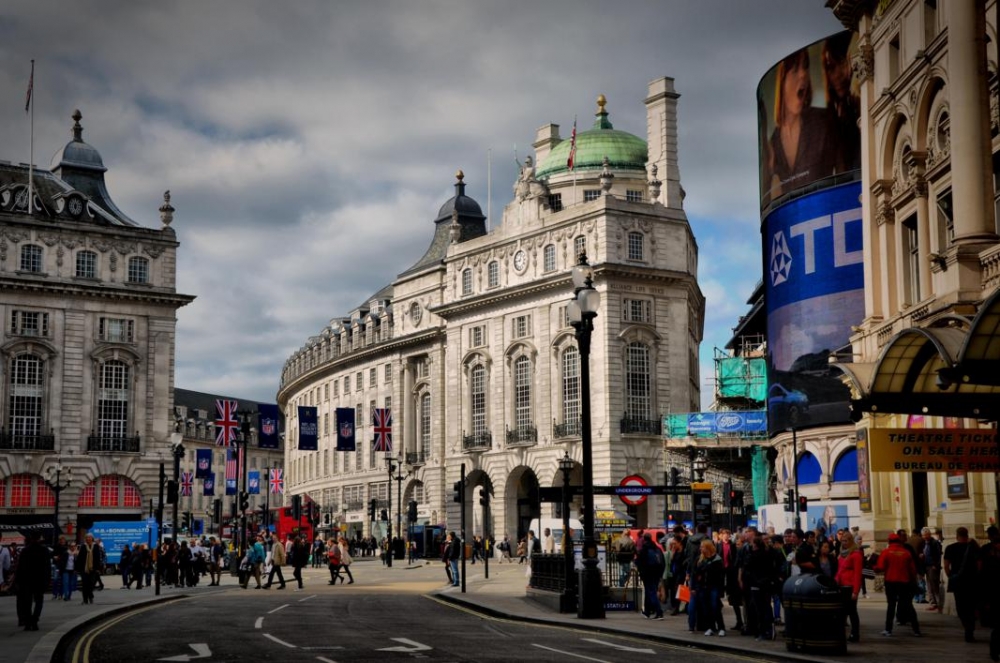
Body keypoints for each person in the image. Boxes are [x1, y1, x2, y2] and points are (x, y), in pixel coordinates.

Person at [766, 47, 837, 203]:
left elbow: (844, 172)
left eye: (805, 66)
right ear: (782, 82)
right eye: (795, 70)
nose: (804, 74)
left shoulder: (822, 122)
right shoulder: (773, 144)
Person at [876, 532, 922, 637]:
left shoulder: (886, 552)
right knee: (909, 606)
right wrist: (913, 581)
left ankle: (888, 629)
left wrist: (874, 567)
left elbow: (880, 567)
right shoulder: (906, 553)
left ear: (889, 541)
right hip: (904, 582)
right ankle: (916, 630)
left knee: (891, 606)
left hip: (890, 582)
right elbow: (912, 570)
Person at [944, 526, 981, 642]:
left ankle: (967, 627)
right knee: (971, 605)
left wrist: (951, 576)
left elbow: (946, 566)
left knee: (961, 607)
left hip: (958, 582)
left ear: (957, 535)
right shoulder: (974, 548)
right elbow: (979, 565)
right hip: (972, 581)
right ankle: (970, 629)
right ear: (967, 535)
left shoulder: (950, 548)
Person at [14, 531, 51, 631]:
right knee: (39, 600)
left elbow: (20, 567)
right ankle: (35, 620)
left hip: (26, 580)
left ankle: (28, 622)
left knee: (27, 602)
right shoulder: (44, 550)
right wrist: (48, 580)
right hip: (40, 580)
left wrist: (17, 581)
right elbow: (47, 567)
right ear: (40, 538)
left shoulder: (25, 550)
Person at [691, 540, 726, 636]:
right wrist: (693, 587)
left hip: (714, 587)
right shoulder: (699, 559)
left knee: (715, 607)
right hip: (702, 587)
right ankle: (710, 627)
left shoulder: (717, 560)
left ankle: (721, 627)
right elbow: (694, 574)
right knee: (706, 608)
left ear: (708, 548)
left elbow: (720, 576)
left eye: (702, 547)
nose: (700, 549)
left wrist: (721, 590)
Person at [834, 530, 863, 643]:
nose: (844, 543)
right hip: (842, 585)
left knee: (851, 611)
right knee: (843, 611)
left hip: (850, 586)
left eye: (846, 541)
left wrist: (855, 591)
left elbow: (857, 574)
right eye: (842, 541)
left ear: (851, 541)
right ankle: (843, 633)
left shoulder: (856, 555)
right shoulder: (842, 554)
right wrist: (836, 581)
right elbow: (840, 571)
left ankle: (855, 634)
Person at [634, 532, 666, 619]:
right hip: (657, 573)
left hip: (648, 574)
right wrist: (660, 574)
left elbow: (639, 562)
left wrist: (641, 571)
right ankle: (647, 612)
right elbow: (662, 562)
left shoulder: (644, 549)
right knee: (650, 591)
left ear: (644, 539)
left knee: (651, 592)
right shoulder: (657, 548)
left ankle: (659, 612)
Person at [76, 533, 104, 605]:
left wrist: (98, 568)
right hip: (84, 569)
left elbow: (98, 558)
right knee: (85, 584)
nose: (88, 539)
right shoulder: (83, 546)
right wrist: (77, 568)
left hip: (93, 568)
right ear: (85, 539)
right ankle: (85, 599)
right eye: (87, 538)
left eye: (90, 537)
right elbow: (79, 558)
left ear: (92, 538)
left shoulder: (95, 546)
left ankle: (90, 597)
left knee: (91, 584)